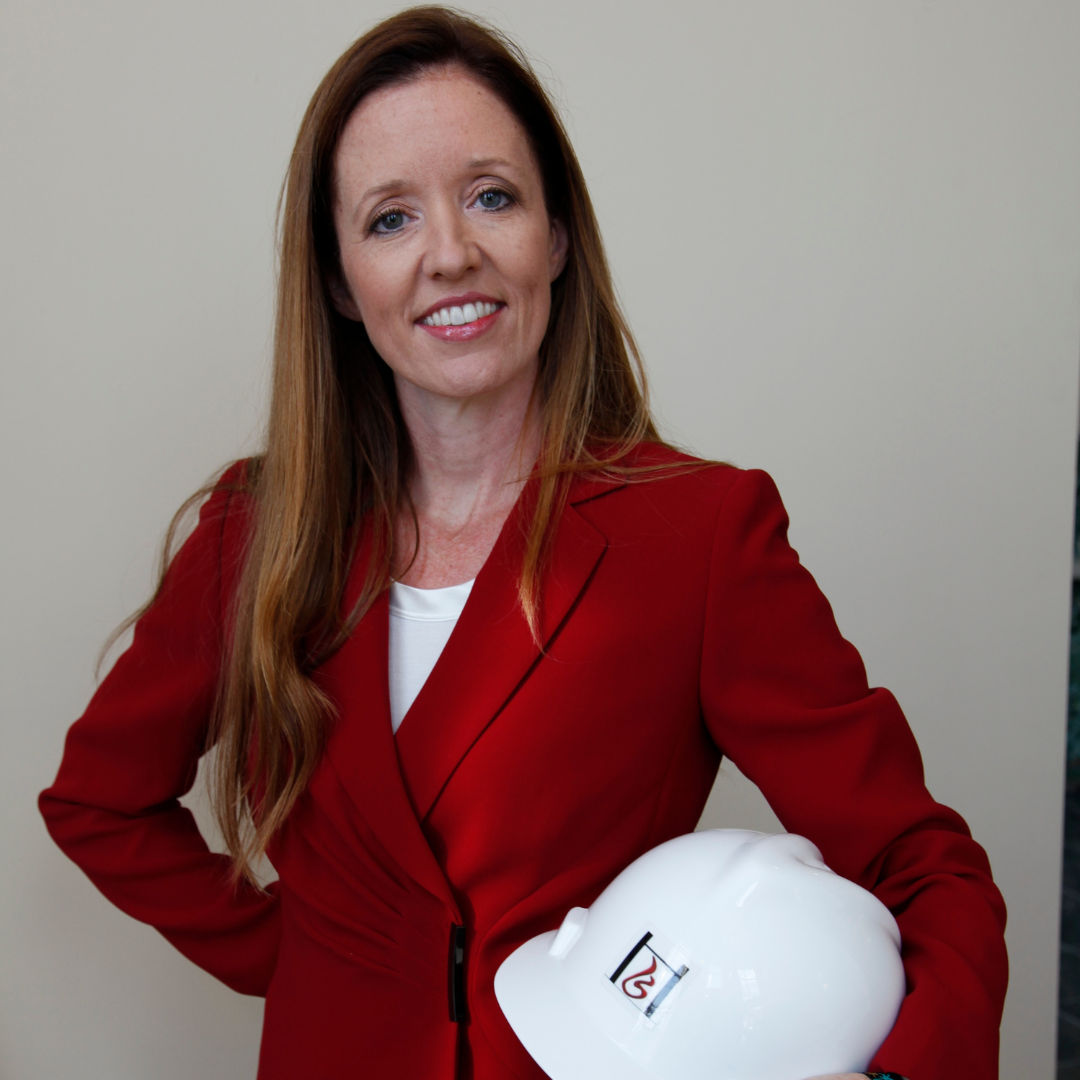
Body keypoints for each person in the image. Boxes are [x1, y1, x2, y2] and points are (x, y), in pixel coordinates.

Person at [39, 8, 1007, 1080]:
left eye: (491, 197)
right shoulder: (257, 528)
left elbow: (926, 870)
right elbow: (97, 800)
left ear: (555, 235)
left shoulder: (701, 534)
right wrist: (300, 955)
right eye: (390, 219)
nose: (451, 255)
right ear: (339, 281)